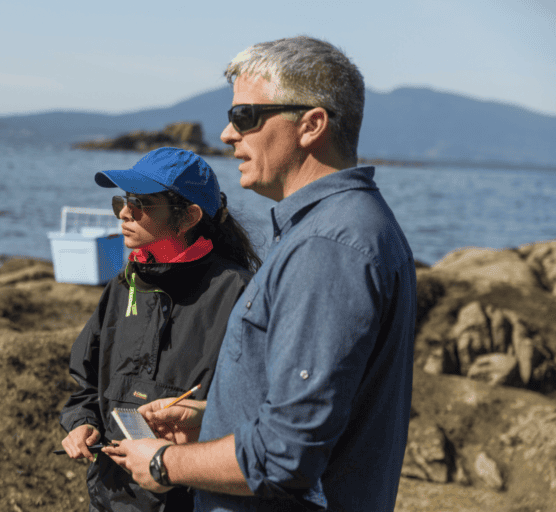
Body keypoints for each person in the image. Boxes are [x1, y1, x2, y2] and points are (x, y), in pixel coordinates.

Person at [103, 36, 416, 512]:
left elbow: (283, 456)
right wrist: (212, 421)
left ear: (312, 124)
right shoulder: (349, 226)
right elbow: (321, 415)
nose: (228, 135)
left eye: (245, 117)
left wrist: (164, 461)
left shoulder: (326, 247)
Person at [59, 147, 261, 512]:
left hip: (195, 501)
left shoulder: (240, 293)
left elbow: (262, 415)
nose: (124, 212)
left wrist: (198, 419)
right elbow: (86, 384)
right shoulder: (122, 287)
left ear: (189, 217)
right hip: (109, 498)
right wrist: (82, 423)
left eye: (142, 204)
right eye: (123, 200)